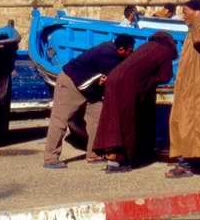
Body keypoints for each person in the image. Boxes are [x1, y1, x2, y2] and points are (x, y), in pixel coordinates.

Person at [43, 35, 135, 169]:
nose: (131, 53)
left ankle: (93, 154)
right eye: (130, 51)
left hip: (90, 86)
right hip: (71, 83)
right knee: (60, 119)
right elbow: (115, 79)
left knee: (97, 118)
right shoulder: (109, 54)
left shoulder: (112, 50)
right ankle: (50, 158)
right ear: (121, 49)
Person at [93, 31, 178, 172]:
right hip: (128, 84)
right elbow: (165, 76)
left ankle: (112, 161)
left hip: (113, 79)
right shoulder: (165, 51)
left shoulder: (146, 46)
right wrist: (150, 82)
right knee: (127, 122)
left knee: (112, 120)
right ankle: (123, 160)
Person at [166, 0, 200, 178]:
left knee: (192, 123)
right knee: (182, 122)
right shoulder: (194, 29)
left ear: (197, 12)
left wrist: (197, 18)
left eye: (186, 12)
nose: (183, 17)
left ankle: (187, 164)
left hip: (196, 87)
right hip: (188, 86)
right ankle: (190, 161)